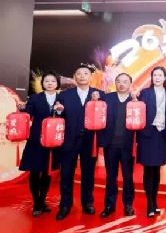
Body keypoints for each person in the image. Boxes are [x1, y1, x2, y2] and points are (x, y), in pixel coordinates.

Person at [56, 64, 102, 220]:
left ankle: (87, 202)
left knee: (88, 173)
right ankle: (65, 205)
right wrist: (58, 111)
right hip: (69, 140)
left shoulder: (99, 94)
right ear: (74, 77)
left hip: (90, 140)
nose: (82, 76)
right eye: (79, 73)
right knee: (66, 173)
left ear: (90, 77)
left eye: (85, 73)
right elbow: (57, 115)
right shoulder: (64, 95)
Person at [17, 71, 64, 216]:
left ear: (57, 84)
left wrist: (60, 111)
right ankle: (36, 202)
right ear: (42, 83)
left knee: (47, 172)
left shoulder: (62, 98)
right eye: (47, 81)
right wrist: (22, 108)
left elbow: (67, 116)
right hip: (36, 140)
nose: (50, 83)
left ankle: (42, 200)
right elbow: (28, 114)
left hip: (53, 141)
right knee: (34, 171)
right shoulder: (35, 98)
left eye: (53, 81)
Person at [98, 72, 136, 218]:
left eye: (125, 81)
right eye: (119, 81)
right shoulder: (107, 98)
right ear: (115, 83)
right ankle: (109, 205)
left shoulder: (135, 100)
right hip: (110, 145)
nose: (121, 84)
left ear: (130, 84)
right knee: (111, 176)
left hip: (128, 145)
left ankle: (128, 204)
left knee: (128, 176)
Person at [137, 66, 166, 218]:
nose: (157, 78)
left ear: (165, 78)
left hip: (161, 135)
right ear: (152, 78)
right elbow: (139, 112)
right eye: (155, 75)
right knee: (148, 169)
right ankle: (150, 203)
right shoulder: (145, 93)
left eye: (160, 75)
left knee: (157, 170)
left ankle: (154, 201)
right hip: (147, 134)